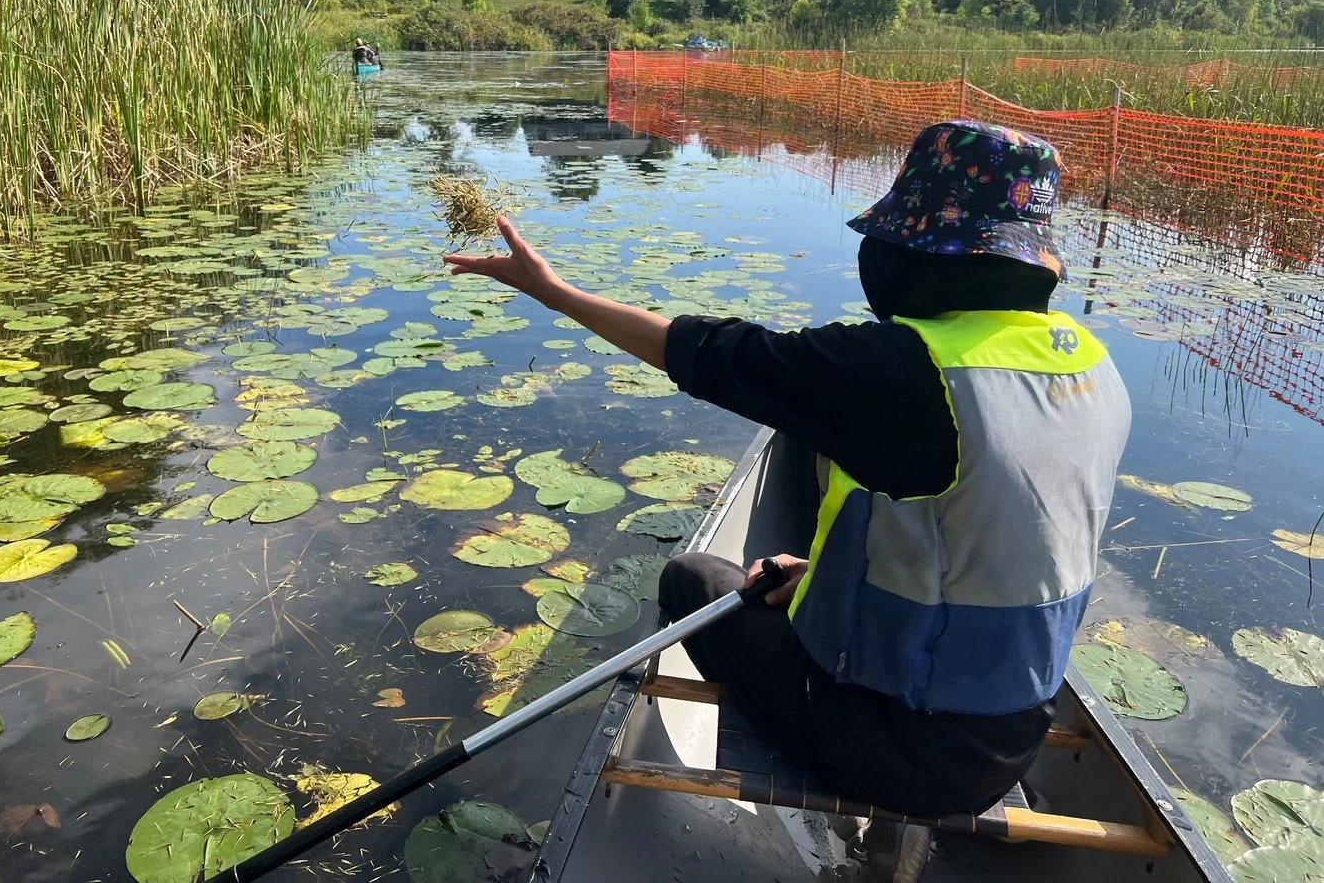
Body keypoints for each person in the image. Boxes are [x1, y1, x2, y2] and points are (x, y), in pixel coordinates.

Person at [442, 120, 1130, 828]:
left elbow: (711, 354)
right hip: (1013, 738)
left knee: (691, 580)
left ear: (918, 251)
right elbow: (988, 523)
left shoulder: (899, 370)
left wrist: (554, 292)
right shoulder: (1090, 364)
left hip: (898, 748)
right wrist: (827, 577)